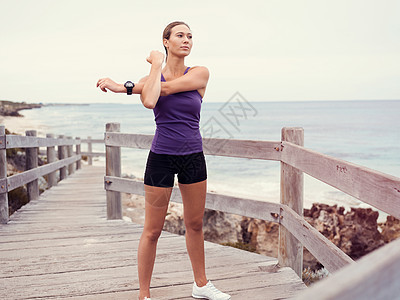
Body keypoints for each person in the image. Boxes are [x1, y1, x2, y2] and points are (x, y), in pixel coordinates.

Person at [97, 21, 231, 300]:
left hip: (193, 157)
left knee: (195, 224)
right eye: (180, 35)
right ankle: (144, 294)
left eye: (190, 36)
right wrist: (133, 81)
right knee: (152, 230)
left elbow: (161, 91)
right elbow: (149, 100)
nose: (187, 40)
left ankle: (201, 285)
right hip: (161, 159)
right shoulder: (152, 78)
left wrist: (132, 84)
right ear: (166, 41)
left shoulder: (200, 73)